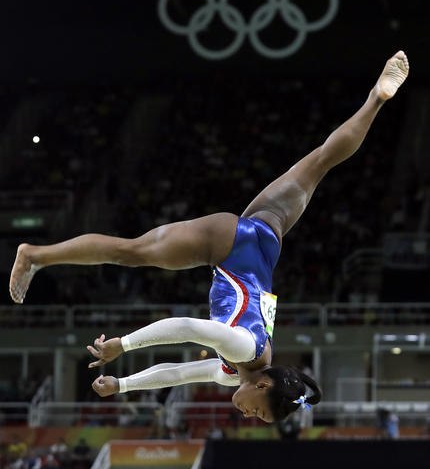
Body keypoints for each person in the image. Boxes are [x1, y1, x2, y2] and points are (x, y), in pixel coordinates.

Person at [9, 51, 409, 423]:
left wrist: (123, 384)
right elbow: (187, 327)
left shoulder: (243, 368)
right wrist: (123, 346)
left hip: (267, 239)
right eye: (259, 412)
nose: (249, 416)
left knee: (322, 161)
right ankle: (35, 255)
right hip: (228, 245)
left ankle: (376, 98)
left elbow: (181, 372)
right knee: (129, 253)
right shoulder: (243, 351)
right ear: (264, 385)